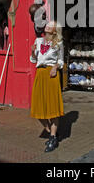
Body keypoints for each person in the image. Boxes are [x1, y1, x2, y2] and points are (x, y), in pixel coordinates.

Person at [30, 21, 65, 152]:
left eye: (50, 25)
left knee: (53, 107)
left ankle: (52, 137)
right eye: (48, 24)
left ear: (55, 30)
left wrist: (55, 67)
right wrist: (33, 52)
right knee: (38, 107)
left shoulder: (59, 43)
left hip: (52, 74)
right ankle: (52, 132)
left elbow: (61, 60)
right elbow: (33, 60)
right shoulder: (38, 40)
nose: (47, 26)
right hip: (40, 73)